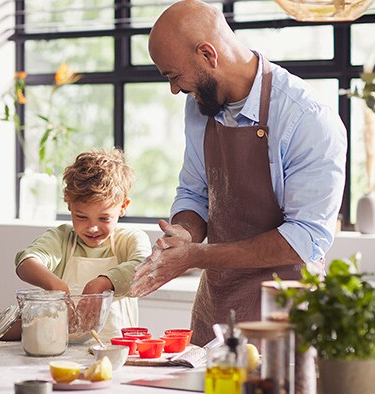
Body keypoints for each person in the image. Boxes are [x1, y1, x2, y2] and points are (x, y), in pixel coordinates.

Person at [129, 0, 347, 346]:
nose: (174, 89)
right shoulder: (201, 104)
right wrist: (184, 235)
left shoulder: (307, 117)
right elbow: (195, 192)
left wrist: (194, 256)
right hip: (216, 309)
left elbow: (305, 238)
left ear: (207, 54)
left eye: (174, 76)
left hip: (285, 315)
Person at [15, 149, 152, 340]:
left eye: (104, 218)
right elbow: (25, 262)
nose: (93, 228)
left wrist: (100, 285)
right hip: (63, 349)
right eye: (81, 217)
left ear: (123, 207)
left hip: (116, 351)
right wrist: (57, 286)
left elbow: (144, 266)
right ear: (69, 204)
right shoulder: (61, 238)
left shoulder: (129, 239)